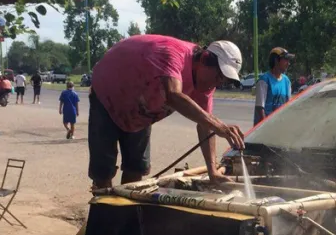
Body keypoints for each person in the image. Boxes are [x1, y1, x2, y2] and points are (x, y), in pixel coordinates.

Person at [88, 34, 247, 189]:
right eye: (218, 76)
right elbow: (173, 96)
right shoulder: (173, 54)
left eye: (222, 81)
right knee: (103, 171)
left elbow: (204, 124)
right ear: (205, 58)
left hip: (140, 109)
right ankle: (103, 212)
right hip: (108, 94)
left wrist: (213, 172)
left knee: (136, 168)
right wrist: (219, 126)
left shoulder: (206, 85)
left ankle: (125, 213)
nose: (216, 84)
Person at [254, 47, 295, 125]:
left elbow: (287, 105)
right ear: (276, 60)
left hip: (279, 127)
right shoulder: (264, 81)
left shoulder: (286, 81)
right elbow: (260, 108)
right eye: (286, 60)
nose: (288, 63)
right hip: (264, 128)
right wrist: (266, 126)